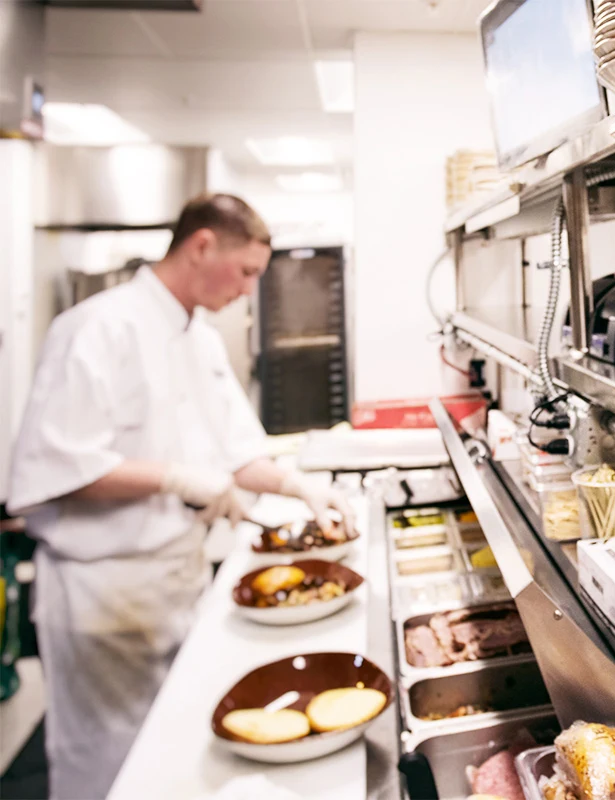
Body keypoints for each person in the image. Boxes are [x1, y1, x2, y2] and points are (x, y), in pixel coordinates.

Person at [7, 193, 354, 800]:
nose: (248, 291)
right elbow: (57, 468)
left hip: (177, 581)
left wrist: (300, 487)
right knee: (108, 763)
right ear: (202, 246)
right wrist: (176, 478)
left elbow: (238, 453)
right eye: (245, 272)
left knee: (174, 758)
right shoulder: (97, 327)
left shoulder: (199, 338)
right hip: (104, 591)